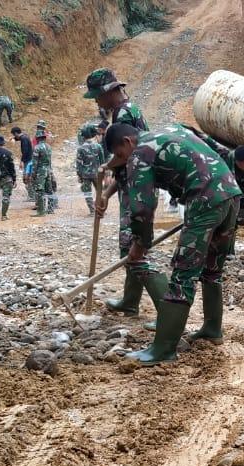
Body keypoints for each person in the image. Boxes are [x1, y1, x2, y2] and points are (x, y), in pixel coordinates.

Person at [97, 123, 242, 365]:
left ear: (127, 142)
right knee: (211, 270)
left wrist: (140, 244)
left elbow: (142, 207)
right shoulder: (173, 128)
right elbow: (222, 151)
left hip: (204, 200)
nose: (123, 160)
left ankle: (163, 349)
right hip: (230, 193)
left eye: (120, 155)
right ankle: (212, 329)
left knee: (183, 275)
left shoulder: (139, 153)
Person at [84, 68, 153, 318]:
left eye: (97, 96)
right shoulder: (128, 110)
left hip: (137, 187)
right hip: (133, 184)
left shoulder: (124, 114)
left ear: (109, 92)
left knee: (132, 246)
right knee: (132, 243)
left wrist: (106, 167)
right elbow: (126, 165)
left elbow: (125, 159)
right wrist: (107, 193)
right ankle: (130, 300)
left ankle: (164, 306)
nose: (96, 101)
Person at [75, 122, 106, 216]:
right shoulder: (98, 146)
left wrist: (79, 175)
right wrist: (103, 173)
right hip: (97, 174)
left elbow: (79, 164)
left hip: (85, 174)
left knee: (87, 193)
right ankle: (101, 209)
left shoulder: (80, 148)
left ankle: (92, 211)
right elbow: (103, 162)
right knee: (100, 192)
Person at [30, 126, 57, 216]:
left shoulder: (37, 148)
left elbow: (34, 163)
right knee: (49, 190)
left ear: (37, 138)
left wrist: (33, 174)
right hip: (48, 170)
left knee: (39, 190)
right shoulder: (48, 147)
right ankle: (50, 209)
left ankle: (41, 211)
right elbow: (49, 161)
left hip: (40, 172)